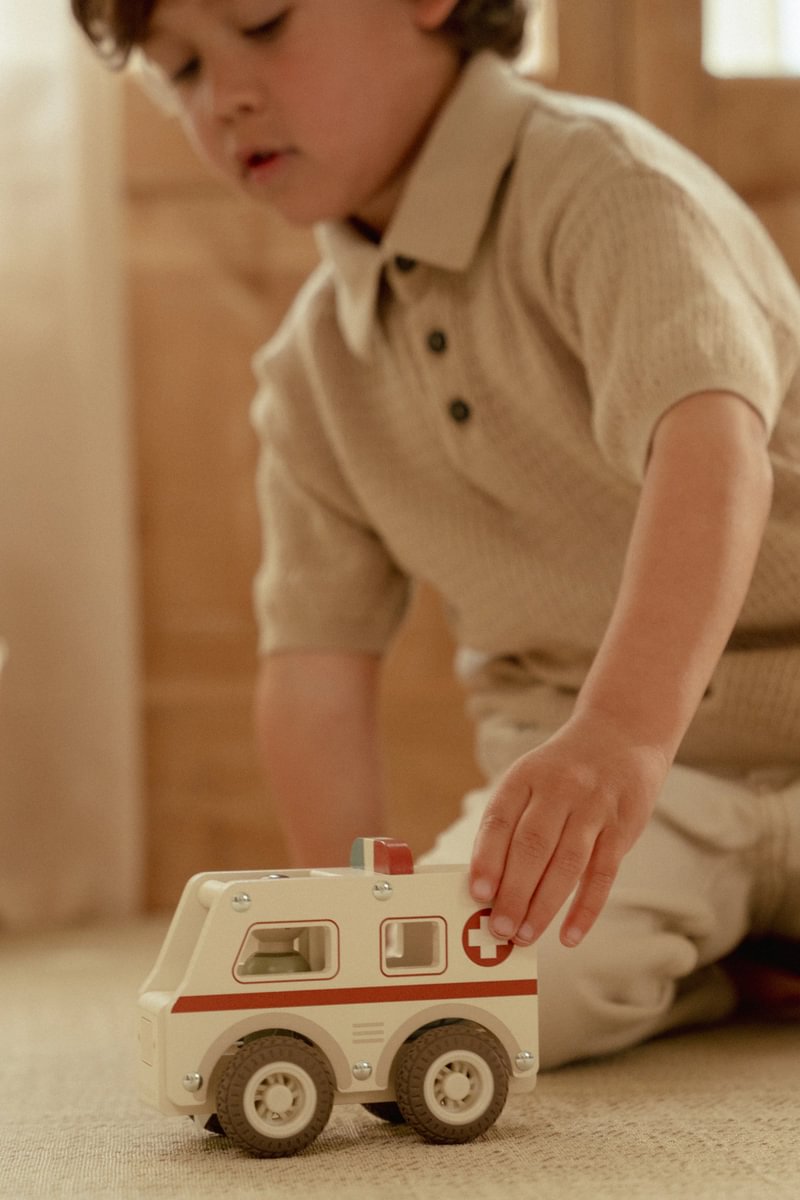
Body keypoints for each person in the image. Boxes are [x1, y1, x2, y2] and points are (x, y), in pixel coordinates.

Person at [72, 0, 800, 1068]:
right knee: (462, 999)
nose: (222, 97)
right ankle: (718, 964)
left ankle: (718, 945)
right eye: (178, 69)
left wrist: (620, 737)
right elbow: (314, 664)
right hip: (606, 811)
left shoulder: (607, 190)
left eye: (263, 24)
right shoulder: (311, 374)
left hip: (658, 745)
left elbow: (708, 449)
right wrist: (349, 928)